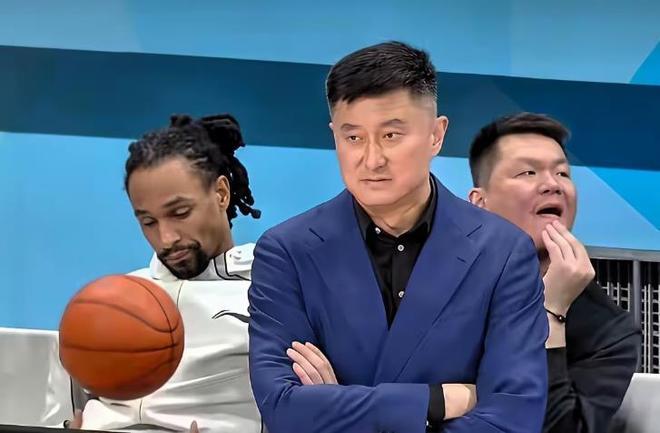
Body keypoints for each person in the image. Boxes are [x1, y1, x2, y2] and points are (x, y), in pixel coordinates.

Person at [247, 41, 549, 433]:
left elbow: (513, 418)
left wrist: (337, 407)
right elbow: (284, 409)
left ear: (436, 135)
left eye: (391, 135)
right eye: (353, 138)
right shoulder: (287, 251)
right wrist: (436, 401)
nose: (371, 160)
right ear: (334, 136)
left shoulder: (504, 253)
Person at [65, 113, 262, 432]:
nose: (166, 238)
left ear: (221, 194)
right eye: (148, 222)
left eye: (180, 213)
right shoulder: (117, 297)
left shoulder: (273, 294)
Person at [467, 112, 641, 433]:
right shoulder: (437, 283)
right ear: (480, 202)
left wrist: (551, 314)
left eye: (562, 173)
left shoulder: (608, 330)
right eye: (528, 172)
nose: (552, 184)